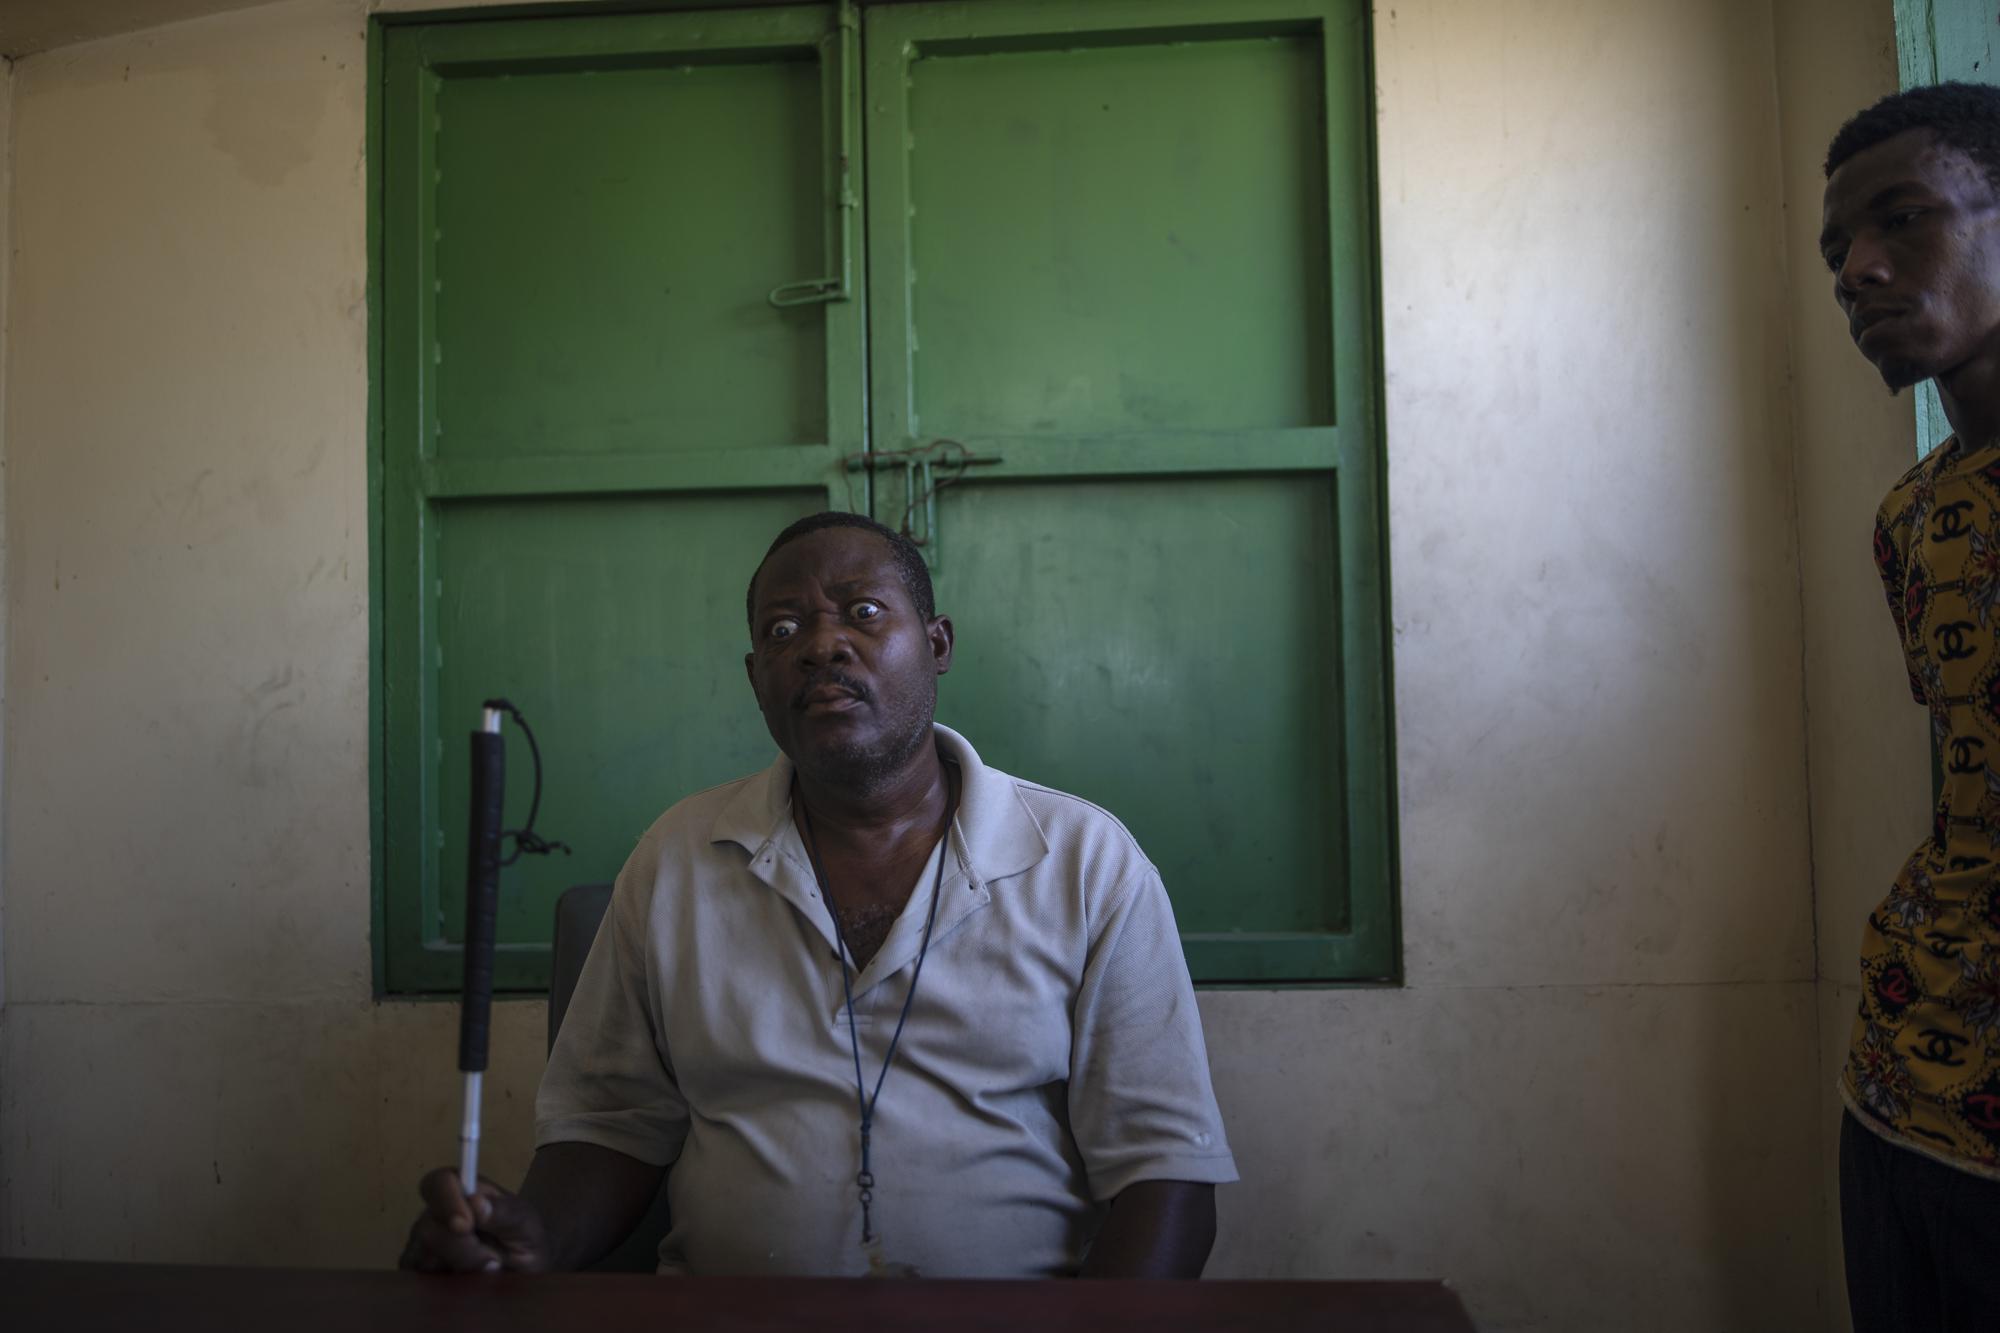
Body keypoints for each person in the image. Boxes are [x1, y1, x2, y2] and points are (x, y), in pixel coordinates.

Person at [400, 511, 1237, 1277]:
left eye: (864, 612)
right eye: (784, 628)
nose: (822, 645)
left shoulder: (1085, 862)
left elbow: (1164, 1171)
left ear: (938, 643)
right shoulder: (677, 862)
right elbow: (612, 1127)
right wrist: (530, 1238)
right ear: (756, 674)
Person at [1820, 82, 2000, 1330]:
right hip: (1900, 1085)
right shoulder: (1911, 518)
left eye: (1902, 221)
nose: (1856, 270)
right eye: (1836, 250)